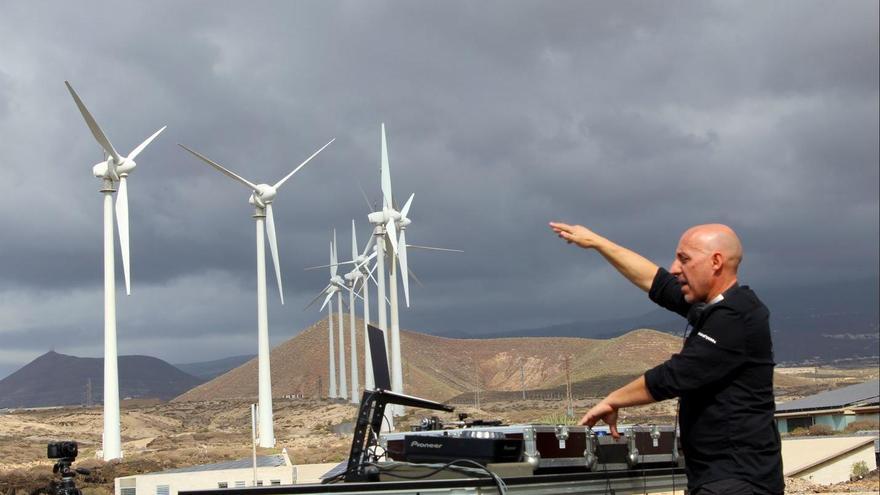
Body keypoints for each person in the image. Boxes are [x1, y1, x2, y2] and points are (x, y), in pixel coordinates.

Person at [548, 222, 783, 495]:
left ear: (716, 261)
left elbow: (674, 376)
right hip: (717, 480)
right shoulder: (714, 307)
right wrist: (599, 243)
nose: (675, 267)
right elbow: (656, 282)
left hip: (739, 480)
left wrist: (612, 399)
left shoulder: (736, 316)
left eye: (684, 259)